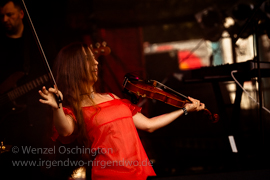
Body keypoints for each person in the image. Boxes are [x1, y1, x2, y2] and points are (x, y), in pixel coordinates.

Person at [38, 42, 206, 180]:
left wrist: (184, 109)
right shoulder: (75, 108)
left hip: (142, 174)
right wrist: (57, 107)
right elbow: (65, 130)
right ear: (76, 66)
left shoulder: (112, 97)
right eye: (89, 59)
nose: (96, 62)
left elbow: (149, 124)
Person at [0, 1, 56, 179]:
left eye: (10, 14)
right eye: (2, 16)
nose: (5, 19)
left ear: (21, 14)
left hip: (34, 116)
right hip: (7, 122)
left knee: (35, 165)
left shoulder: (36, 41)